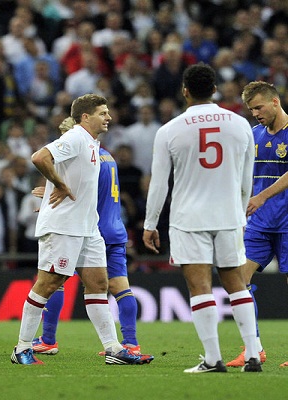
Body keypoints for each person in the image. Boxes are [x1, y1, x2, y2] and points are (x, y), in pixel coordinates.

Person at [11, 94, 153, 366]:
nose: (108, 117)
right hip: (64, 228)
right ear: (85, 117)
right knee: (48, 285)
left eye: (108, 112)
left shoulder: (92, 144)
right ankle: (22, 348)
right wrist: (58, 185)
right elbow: (40, 157)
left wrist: (57, 185)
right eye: (102, 112)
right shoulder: (76, 137)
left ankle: (114, 349)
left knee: (99, 285)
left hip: (88, 228)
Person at [142, 63, 261, 373]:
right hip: (229, 215)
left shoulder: (170, 130)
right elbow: (246, 178)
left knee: (199, 286)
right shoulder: (240, 124)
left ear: (185, 91)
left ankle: (213, 359)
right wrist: (240, 211)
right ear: (214, 89)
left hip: (189, 218)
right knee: (236, 283)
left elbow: (159, 183)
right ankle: (252, 354)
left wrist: (150, 223)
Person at [31, 116, 141, 356]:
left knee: (55, 282)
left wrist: (53, 201)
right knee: (120, 287)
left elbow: (83, 194)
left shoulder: (86, 157)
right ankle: (130, 343)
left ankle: (48, 339)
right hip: (115, 228)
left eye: (63, 134)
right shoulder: (107, 156)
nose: (61, 140)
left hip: (90, 228)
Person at [228, 81, 288, 368]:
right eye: (251, 109)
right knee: (239, 280)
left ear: (275, 102)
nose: (255, 114)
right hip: (259, 223)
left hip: (287, 221)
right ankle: (254, 348)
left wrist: (261, 196)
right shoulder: (253, 135)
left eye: (259, 107)